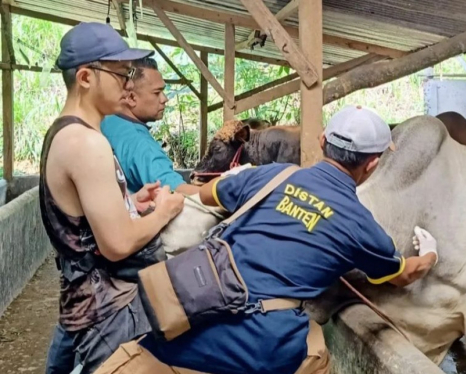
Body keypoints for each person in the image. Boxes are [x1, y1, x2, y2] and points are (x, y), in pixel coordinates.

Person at [95, 105, 438, 374]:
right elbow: (403, 273)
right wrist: (431, 255)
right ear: (374, 163)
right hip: (263, 345)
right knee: (316, 349)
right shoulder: (361, 226)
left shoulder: (272, 175)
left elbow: (210, 193)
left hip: (188, 315)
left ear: (322, 141)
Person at [41, 22, 184, 374]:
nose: (129, 83)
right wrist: (162, 212)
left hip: (84, 299)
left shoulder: (66, 132)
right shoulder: (87, 144)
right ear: (87, 77)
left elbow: (77, 220)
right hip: (106, 310)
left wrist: (130, 204)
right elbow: (117, 244)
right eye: (121, 74)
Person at [101, 57, 200, 195]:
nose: (164, 99)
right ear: (131, 98)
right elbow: (177, 190)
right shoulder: (140, 143)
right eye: (157, 93)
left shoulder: (106, 120)